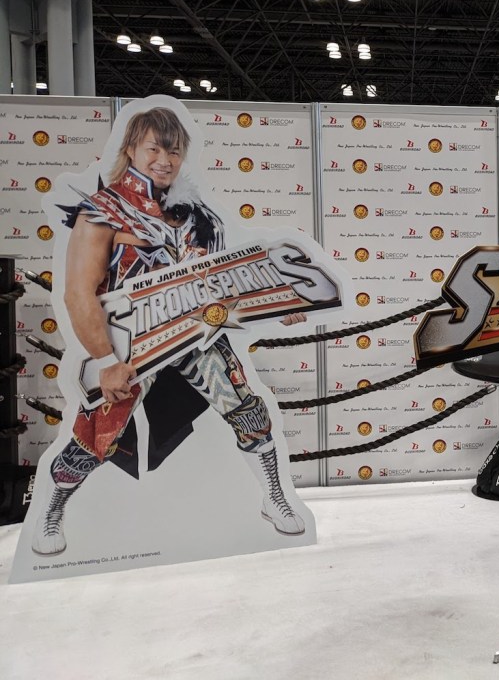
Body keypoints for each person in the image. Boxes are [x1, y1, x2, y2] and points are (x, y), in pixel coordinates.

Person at [32, 106, 306, 555]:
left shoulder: (197, 213)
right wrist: (105, 360)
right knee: (97, 434)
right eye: (154, 149)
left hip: (196, 333)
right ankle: (52, 510)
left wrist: (275, 305)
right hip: (129, 342)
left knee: (250, 413)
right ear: (131, 149)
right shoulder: (102, 211)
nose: (164, 160)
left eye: (173, 151)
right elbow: (78, 294)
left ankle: (275, 497)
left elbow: (221, 282)